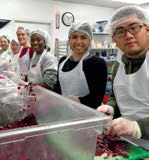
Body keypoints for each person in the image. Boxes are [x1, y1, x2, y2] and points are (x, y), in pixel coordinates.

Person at [97, 5, 149, 149]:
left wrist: (138, 127)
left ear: (147, 29)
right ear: (114, 38)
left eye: (134, 28)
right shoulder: (117, 67)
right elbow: (116, 96)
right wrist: (111, 107)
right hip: (129, 146)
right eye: (120, 31)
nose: (128, 35)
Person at [54, 22, 107, 109]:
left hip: (88, 113)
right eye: (74, 37)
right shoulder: (63, 61)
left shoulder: (97, 63)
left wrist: (70, 102)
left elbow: (96, 99)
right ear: (69, 40)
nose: (78, 42)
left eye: (83, 38)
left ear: (89, 40)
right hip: (64, 109)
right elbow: (58, 88)